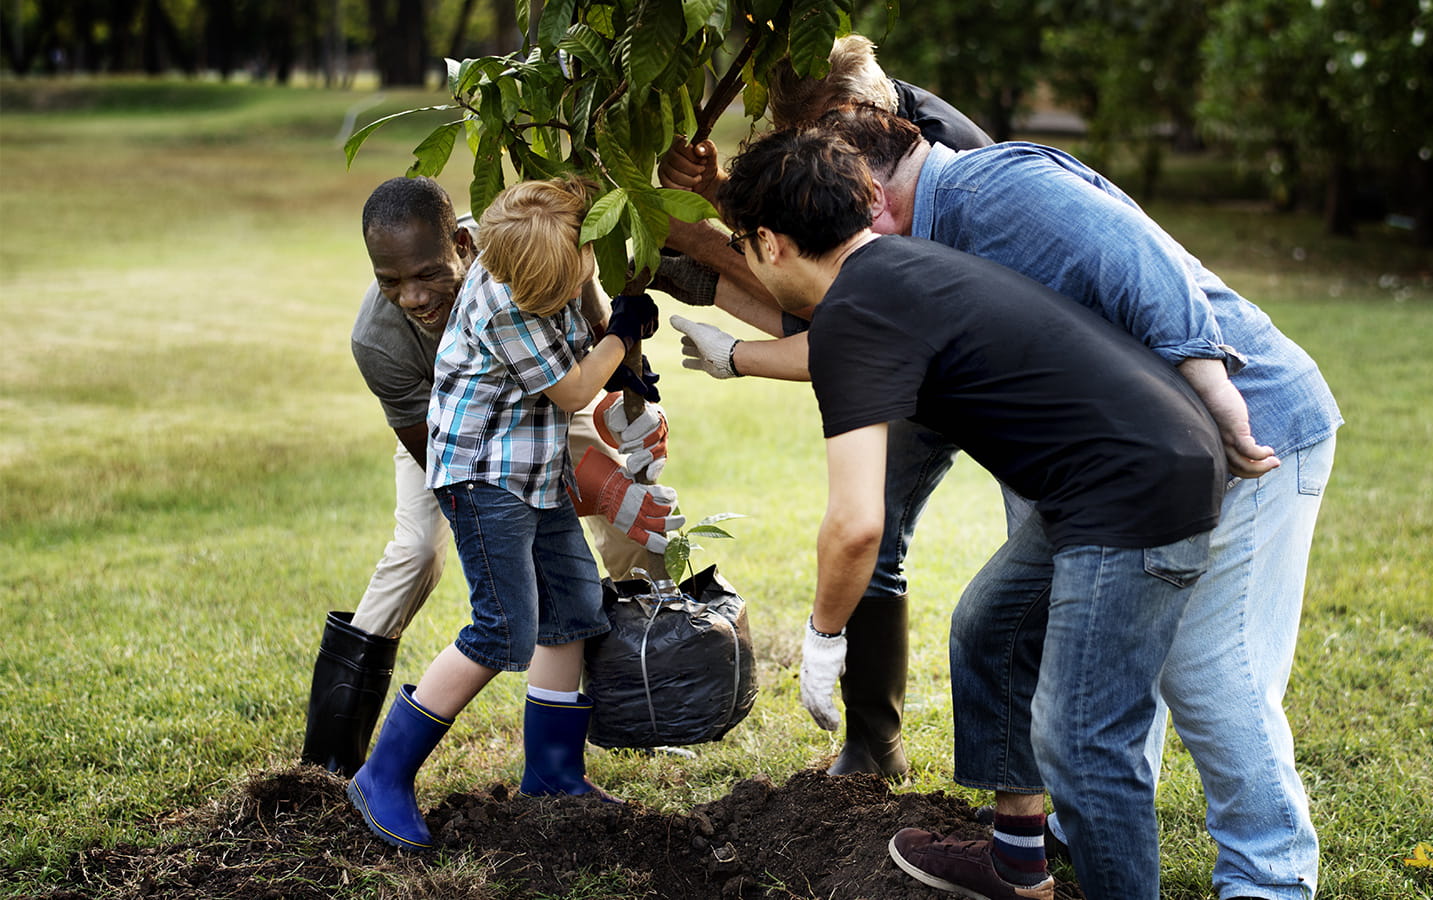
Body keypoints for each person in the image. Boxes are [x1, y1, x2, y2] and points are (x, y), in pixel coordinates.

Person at [684, 106, 1342, 899]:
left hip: (1138, 487)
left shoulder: (937, 241)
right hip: (1129, 464)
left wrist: (823, 641)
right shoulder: (898, 269)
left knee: (1085, 740)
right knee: (990, 626)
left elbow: (856, 525)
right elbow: (833, 346)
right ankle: (1018, 860)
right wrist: (736, 356)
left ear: (772, 245)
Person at [653, 33, 995, 779]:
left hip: (999, 370)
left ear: (857, 114)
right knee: (883, 539)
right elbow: (828, 303)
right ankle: (873, 747)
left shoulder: (935, 163)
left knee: (1004, 585)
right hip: (916, 344)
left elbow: (847, 319)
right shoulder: (850, 132)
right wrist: (717, 201)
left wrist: (706, 248)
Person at [302, 175, 672, 780]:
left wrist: (624, 385)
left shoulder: (527, 243)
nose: (414, 297)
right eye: (391, 281)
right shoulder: (403, 335)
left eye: (427, 274)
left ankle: (561, 770)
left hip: (532, 424)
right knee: (479, 605)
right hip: (467, 451)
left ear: (464, 243)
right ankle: (360, 764)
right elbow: (457, 447)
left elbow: (582, 341)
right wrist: (598, 474)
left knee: (577, 603)